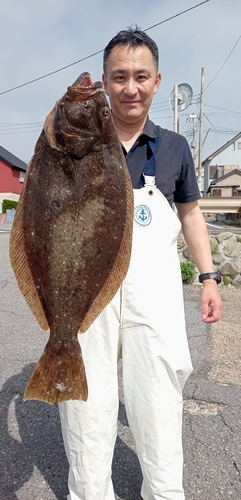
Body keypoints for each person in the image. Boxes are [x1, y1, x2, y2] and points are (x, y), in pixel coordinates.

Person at [59, 28, 222, 500]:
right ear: (105, 84)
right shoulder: (80, 142)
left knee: (159, 401)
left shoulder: (174, 148)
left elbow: (190, 214)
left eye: (141, 77)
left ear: (157, 81)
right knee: (86, 404)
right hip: (89, 294)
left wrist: (209, 277)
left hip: (155, 297)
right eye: (120, 77)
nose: (131, 87)